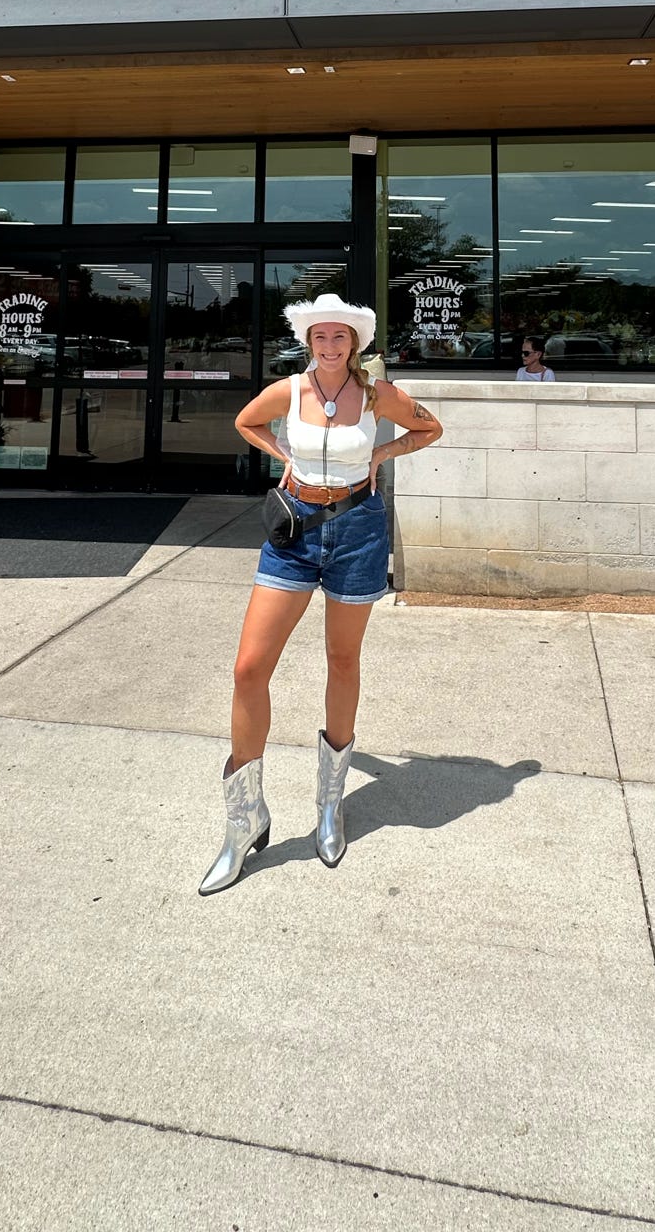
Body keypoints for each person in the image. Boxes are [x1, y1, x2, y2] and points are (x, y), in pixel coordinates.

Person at [199, 292, 443, 894]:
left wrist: (383, 452)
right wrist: (283, 453)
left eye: (340, 338)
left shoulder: (377, 393)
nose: (330, 347)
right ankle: (243, 818)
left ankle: (330, 803)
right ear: (308, 342)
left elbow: (430, 427)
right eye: (320, 337)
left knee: (342, 660)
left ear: (353, 343)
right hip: (295, 531)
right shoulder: (290, 390)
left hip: (358, 530)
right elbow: (245, 422)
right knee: (249, 668)